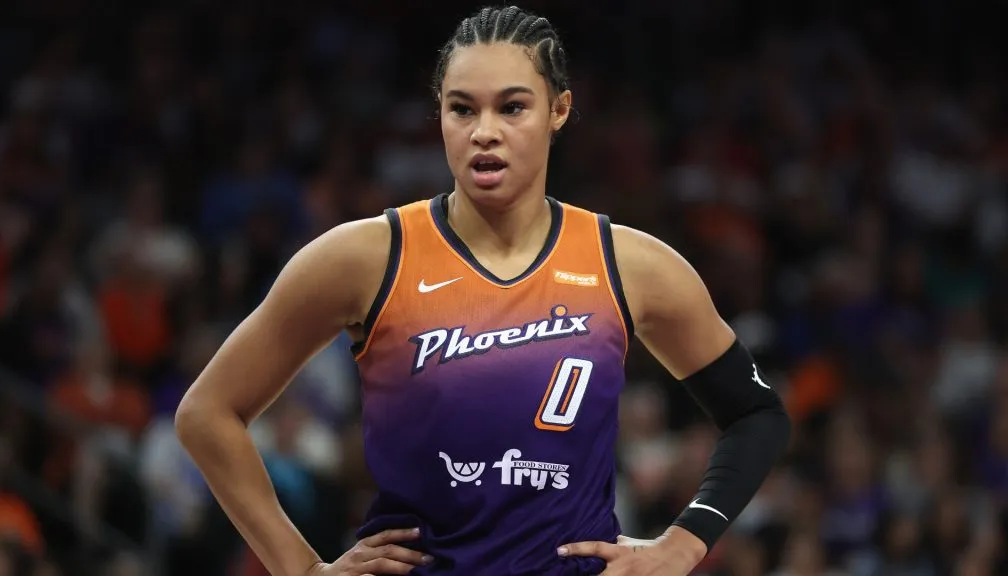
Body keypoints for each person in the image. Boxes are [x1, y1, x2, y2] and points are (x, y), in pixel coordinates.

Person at [175, 6, 791, 576]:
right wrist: (303, 568)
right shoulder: (366, 256)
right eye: (462, 109)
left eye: (512, 107)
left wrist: (683, 544)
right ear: (438, 114)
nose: (483, 132)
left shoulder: (630, 265)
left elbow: (757, 414)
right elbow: (207, 413)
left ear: (560, 109)